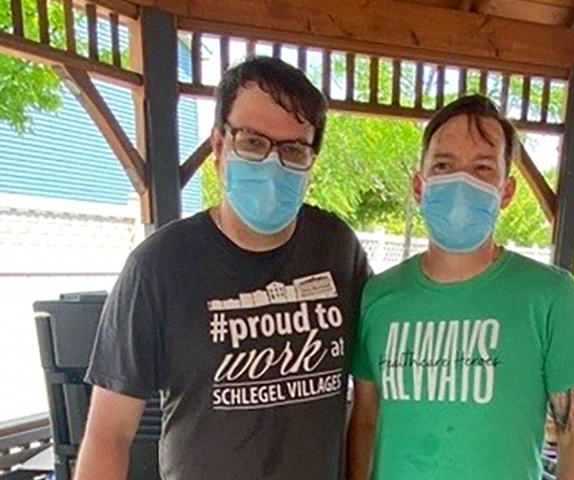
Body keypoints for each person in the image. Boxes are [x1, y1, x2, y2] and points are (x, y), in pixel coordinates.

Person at [75, 56, 370, 480]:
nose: (272, 162)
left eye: (293, 149)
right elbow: (109, 435)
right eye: (252, 141)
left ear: (311, 161)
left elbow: (370, 397)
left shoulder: (337, 249)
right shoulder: (158, 268)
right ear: (218, 145)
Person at [347, 95, 574, 480]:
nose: (461, 181)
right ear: (419, 186)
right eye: (443, 166)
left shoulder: (551, 297)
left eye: (482, 168)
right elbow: (366, 418)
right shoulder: (379, 296)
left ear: (506, 192)